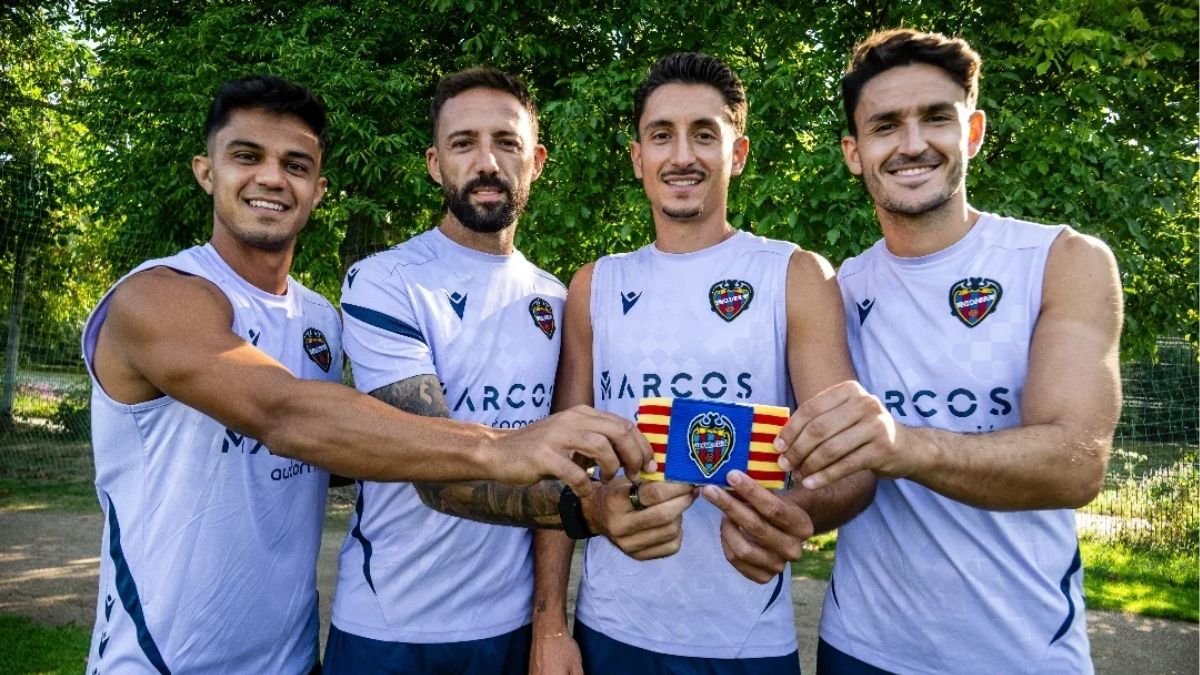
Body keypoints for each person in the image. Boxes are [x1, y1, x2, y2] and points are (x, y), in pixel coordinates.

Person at [81, 74, 655, 675]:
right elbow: (283, 415)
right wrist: (506, 449)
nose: (272, 178)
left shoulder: (319, 321)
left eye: (295, 165)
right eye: (247, 156)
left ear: (318, 189)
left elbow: (343, 446)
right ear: (206, 172)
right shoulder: (156, 297)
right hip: (159, 660)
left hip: (292, 658)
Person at [322, 68, 695, 675]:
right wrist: (590, 512)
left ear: (536, 161)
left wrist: (550, 622)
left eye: (507, 142)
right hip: (391, 627)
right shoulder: (384, 281)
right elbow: (435, 474)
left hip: (513, 629)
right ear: (435, 164)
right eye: (463, 143)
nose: (487, 163)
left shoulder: (556, 299)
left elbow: (564, 467)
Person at [772, 29, 1123, 673]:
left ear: (974, 131)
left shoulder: (1063, 260)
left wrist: (904, 446)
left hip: (1020, 653)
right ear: (854, 152)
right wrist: (781, 514)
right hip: (859, 647)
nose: (911, 144)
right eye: (885, 125)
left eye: (936, 118)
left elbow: (1077, 465)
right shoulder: (838, 289)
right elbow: (820, 466)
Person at [532, 53, 876, 675]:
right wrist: (550, 623)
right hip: (611, 627)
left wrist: (795, 514)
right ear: (638, 157)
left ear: (737, 153)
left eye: (704, 134)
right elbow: (561, 470)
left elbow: (853, 468)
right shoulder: (594, 285)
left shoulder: (795, 274)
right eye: (662, 135)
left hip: (745, 640)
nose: (682, 155)